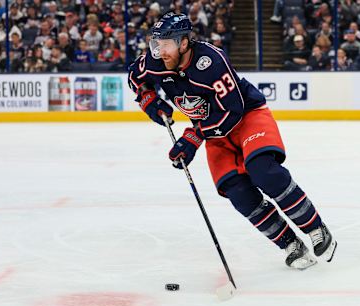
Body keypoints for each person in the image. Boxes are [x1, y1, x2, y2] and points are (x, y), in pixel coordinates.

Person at [128, 13, 337, 270]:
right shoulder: (155, 60)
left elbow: (232, 110)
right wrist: (148, 101)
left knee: (263, 171)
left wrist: (193, 137)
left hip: (247, 117)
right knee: (238, 192)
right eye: (156, 44)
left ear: (183, 43)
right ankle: (289, 244)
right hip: (213, 133)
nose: (159, 51)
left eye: (166, 44)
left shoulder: (211, 61)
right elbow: (135, 78)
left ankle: (316, 227)